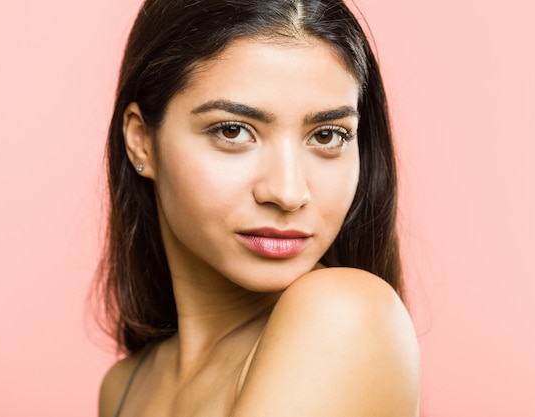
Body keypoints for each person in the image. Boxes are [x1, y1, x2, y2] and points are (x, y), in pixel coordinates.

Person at [94, 0, 420, 415]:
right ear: (141, 140)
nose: (287, 192)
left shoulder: (343, 315)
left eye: (327, 136)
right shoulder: (125, 386)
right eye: (233, 131)